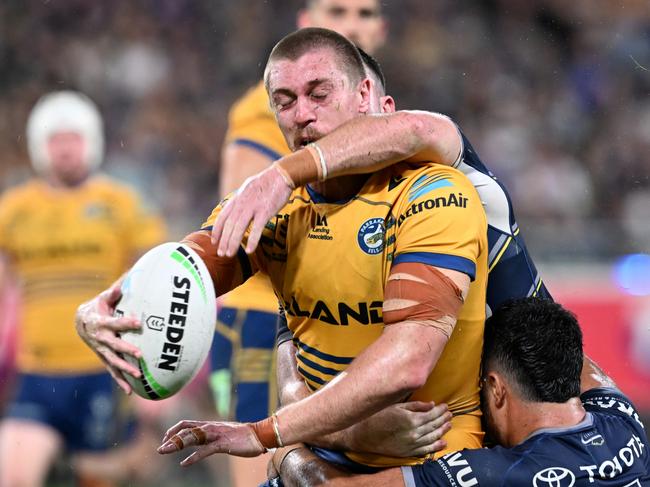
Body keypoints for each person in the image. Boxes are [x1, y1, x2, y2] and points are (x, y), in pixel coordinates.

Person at [78, 27, 490, 468]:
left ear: (364, 95)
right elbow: (186, 270)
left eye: (319, 94)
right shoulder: (276, 209)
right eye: (285, 101)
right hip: (323, 451)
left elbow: (406, 364)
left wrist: (266, 434)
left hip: (431, 453)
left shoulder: (434, 191)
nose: (302, 116)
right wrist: (110, 304)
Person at [212, 2, 386, 484]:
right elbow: (241, 219)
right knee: (269, 460)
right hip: (264, 315)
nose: (353, 23)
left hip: (329, 313)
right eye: (337, 9)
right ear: (305, 22)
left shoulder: (372, 108)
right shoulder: (266, 107)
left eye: (365, 12)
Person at [266, 298, 650, 486]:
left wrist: (287, 447)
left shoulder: (491, 474)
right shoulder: (624, 426)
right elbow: (584, 364)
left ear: (496, 389)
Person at [0, 91, 166, 487]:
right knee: (15, 476)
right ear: (40, 146)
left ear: (91, 141)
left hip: (104, 370)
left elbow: (159, 280)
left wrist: (157, 369)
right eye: (56, 140)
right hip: (36, 372)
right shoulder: (13, 209)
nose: (65, 149)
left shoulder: (122, 203)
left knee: (100, 478)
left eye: (73, 138)